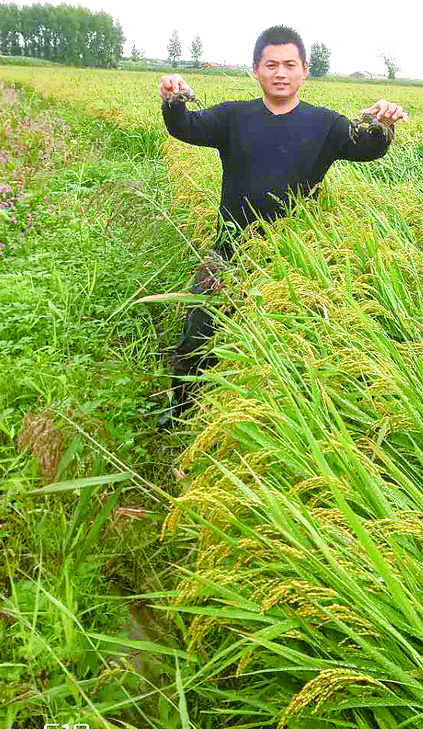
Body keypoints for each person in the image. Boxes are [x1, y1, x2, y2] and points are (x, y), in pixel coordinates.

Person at [156, 25, 409, 430]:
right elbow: (185, 126)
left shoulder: (324, 124)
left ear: (304, 70)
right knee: (198, 328)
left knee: (295, 344)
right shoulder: (232, 116)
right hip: (231, 250)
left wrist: (384, 122)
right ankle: (179, 409)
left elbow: (368, 147)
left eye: (290, 64)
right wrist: (172, 98)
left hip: (296, 258)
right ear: (255, 70)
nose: (280, 72)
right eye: (271, 64)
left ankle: (284, 420)